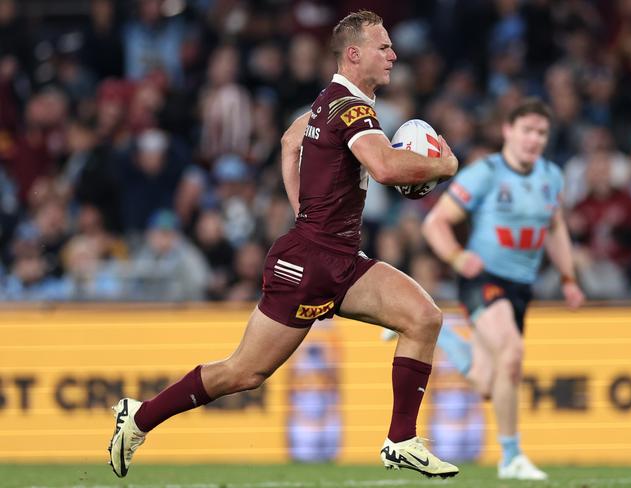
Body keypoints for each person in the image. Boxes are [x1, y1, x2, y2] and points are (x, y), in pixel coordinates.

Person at [108, 10, 459, 479]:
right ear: (354, 55)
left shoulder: (327, 100)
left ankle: (402, 439)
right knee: (243, 374)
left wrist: (304, 212)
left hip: (338, 258)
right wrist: (443, 167)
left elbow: (289, 141)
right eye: (384, 47)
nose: (393, 54)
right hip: (309, 264)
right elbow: (387, 168)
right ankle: (140, 417)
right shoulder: (351, 108)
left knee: (424, 317)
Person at [421, 98, 585, 480]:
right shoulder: (486, 173)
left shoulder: (551, 177)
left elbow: (556, 228)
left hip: (520, 288)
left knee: (488, 381)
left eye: (541, 133)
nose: (534, 139)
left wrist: (569, 278)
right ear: (508, 131)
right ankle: (511, 457)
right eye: (527, 130)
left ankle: (436, 331)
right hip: (484, 279)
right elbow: (435, 223)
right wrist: (459, 259)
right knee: (512, 352)